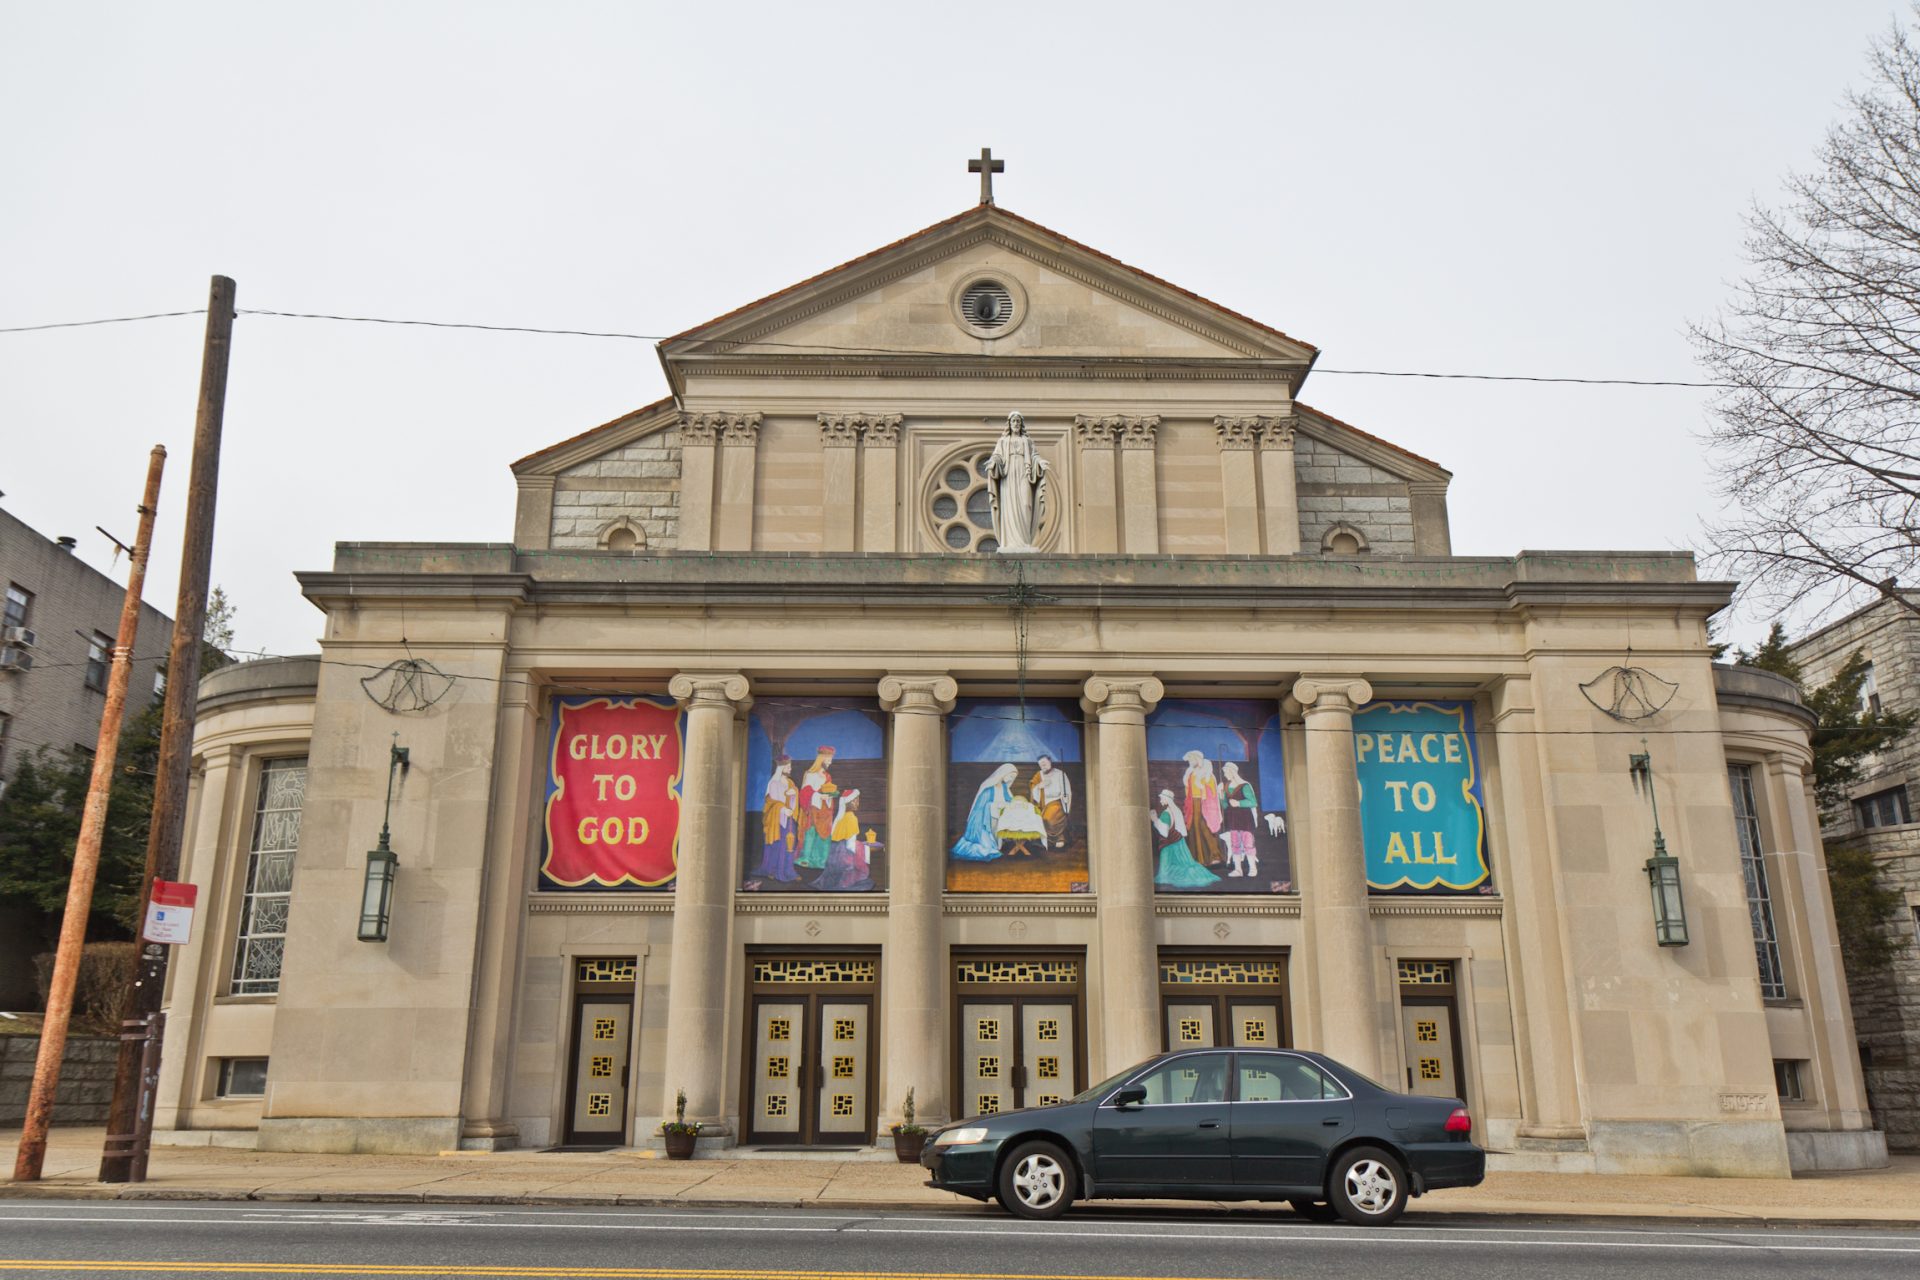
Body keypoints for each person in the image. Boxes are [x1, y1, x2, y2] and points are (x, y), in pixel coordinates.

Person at [985, 411, 1052, 553]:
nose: (1016, 424)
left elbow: (1034, 456)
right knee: (1009, 508)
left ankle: (1024, 540)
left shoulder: (1027, 441)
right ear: (1009, 424)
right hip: (1008, 477)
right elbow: (997, 456)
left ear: (1021, 424)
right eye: (1013, 421)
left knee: (1026, 504)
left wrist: (1040, 462)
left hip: (1023, 474)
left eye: (1018, 421)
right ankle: (1010, 543)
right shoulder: (1003, 441)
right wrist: (993, 462)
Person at [1152, 789, 1218, 889]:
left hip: (1170, 846)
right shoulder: (1176, 810)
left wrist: (1155, 819)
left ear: (1166, 799)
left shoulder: (1166, 813)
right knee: (1185, 864)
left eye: (1162, 798)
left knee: (1167, 872)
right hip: (1179, 843)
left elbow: (1164, 833)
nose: (1160, 799)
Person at [952, 763, 1017, 860]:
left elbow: (1010, 800)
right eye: (1011, 776)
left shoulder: (1004, 788)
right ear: (1004, 773)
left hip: (997, 815)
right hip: (983, 819)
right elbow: (982, 807)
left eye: (1013, 777)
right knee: (986, 847)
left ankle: (999, 842)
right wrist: (996, 805)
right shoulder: (989, 787)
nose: (1011, 779)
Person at [814, 791, 874, 891]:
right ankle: (846, 882)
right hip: (844, 855)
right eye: (855, 801)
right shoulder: (851, 818)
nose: (857, 803)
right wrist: (864, 848)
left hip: (834, 854)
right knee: (859, 848)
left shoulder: (840, 817)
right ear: (849, 803)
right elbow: (851, 845)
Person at [754, 756, 800, 882]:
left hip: (788, 820)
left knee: (789, 845)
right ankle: (772, 870)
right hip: (777, 821)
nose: (790, 769)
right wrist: (783, 809)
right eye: (788, 767)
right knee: (777, 845)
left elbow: (793, 799)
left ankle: (788, 870)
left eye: (790, 766)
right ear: (781, 767)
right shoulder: (774, 783)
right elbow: (771, 803)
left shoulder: (791, 783)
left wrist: (794, 794)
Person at [796, 746, 838, 871]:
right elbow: (804, 793)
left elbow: (829, 790)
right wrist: (819, 796)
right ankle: (806, 858)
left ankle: (820, 860)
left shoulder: (827, 776)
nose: (830, 762)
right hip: (813, 808)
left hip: (825, 810)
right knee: (810, 832)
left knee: (824, 835)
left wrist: (829, 796)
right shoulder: (810, 774)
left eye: (831, 759)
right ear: (822, 758)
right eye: (829, 759)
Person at [1181, 751, 1225, 866]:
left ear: (1197, 759)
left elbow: (1212, 791)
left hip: (1204, 804)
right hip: (1193, 804)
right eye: (1189, 760)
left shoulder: (1207, 774)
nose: (1190, 762)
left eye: (1191, 759)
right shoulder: (1190, 774)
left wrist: (1203, 787)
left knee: (1205, 828)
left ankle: (1215, 856)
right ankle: (1197, 858)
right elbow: (1188, 790)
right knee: (1193, 829)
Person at [1220, 760, 1259, 878]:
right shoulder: (1226, 786)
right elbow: (1226, 806)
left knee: (1248, 844)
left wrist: (1238, 803)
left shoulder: (1244, 786)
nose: (1225, 774)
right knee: (1235, 844)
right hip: (1232, 819)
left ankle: (1253, 868)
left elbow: (1253, 802)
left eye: (1226, 772)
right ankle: (1238, 870)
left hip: (1245, 819)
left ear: (1232, 772)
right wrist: (1222, 798)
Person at [1028, 754, 1072, 848]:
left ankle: (1057, 838)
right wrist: (1039, 786)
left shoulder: (1060, 774)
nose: (1043, 766)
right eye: (1040, 764)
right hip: (1042, 802)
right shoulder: (1038, 775)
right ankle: (1043, 840)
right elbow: (1033, 787)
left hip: (1056, 801)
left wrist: (1065, 797)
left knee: (1048, 818)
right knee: (1036, 817)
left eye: (1044, 763)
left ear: (1050, 761)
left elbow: (1067, 790)